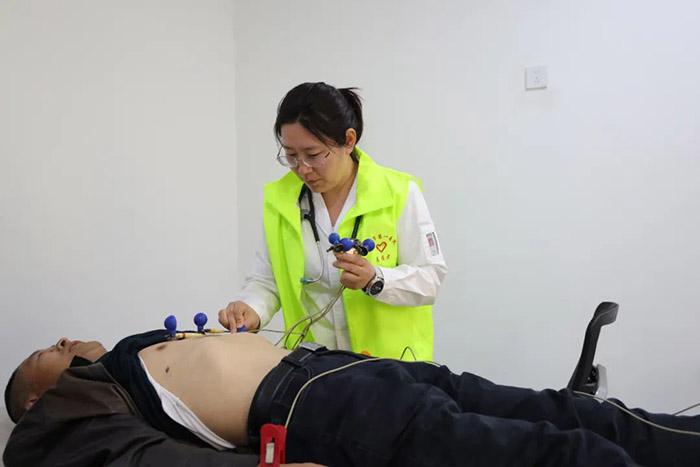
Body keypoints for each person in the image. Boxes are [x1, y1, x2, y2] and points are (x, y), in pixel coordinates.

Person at [5, 330, 700, 466]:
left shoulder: (118, 361)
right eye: (47, 355)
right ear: (39, 399)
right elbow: (143, 462)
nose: (61, 340)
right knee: (541, 451)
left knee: (561, 408)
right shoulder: (68, 414)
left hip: (340, 369)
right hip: (311, 406)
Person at [219, 82, 447, 360]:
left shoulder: (398, 193)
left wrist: (376, 279)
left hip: (391, 368)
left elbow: (430, 278)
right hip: (313, 368)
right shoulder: (281, 200)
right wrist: (249, 309)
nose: (302, 168)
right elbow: (267, 282)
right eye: (291, 155)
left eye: (313, 155)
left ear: (348, 141)